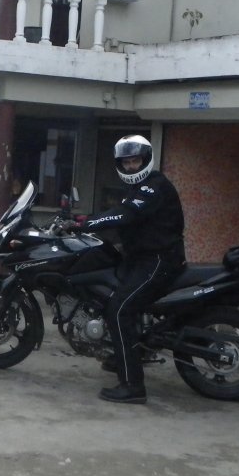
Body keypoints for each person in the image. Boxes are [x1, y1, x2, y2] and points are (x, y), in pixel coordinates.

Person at [74, 135, 186, 405]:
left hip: (158, 261)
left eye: (135, 161)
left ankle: (133, 386)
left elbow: (125, 215)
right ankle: (122, 355)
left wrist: (86, 223)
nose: (131, 166)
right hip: (140, 259)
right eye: (126, 162)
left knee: (120, 309)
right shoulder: (138, 189)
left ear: (145, 160)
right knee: (111, 297)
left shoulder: (153, 187)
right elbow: (121, 212)